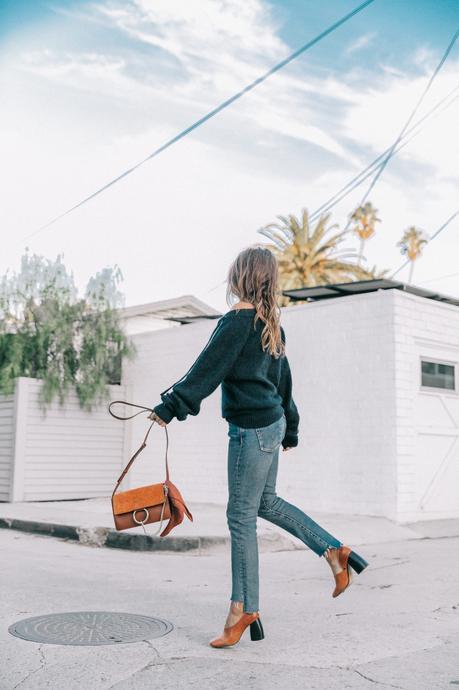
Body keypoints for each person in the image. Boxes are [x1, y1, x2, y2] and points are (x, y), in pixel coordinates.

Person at [149, 246, 369, 648]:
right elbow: (284, 384)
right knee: (264, 503)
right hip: (271, 424)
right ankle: (334, 551)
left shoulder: (236, 322)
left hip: (251, 430)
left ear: (240, 278)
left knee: (241, 516)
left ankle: (243, 608)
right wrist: (290, 430)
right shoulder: (270, 325)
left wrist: (170, 406)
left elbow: (205, 370)